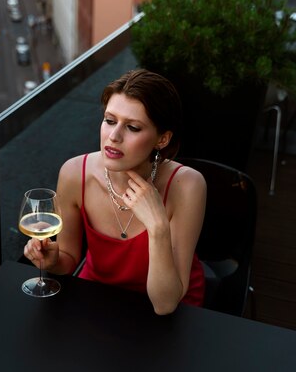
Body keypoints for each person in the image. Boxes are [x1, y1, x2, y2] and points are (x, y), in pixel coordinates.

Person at [23, 69, 206, 315]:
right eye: (110, 121)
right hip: (98, 299)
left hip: (170, 311)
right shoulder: (74, 173)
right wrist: (53, 262)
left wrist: (157, 225)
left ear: (162, 139)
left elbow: (165, 304)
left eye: (132, 127)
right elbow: (68, 257)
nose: (114, 136)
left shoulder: (188, 186)